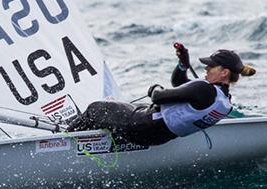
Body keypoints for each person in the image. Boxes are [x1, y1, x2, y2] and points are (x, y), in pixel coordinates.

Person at [67, 46, 256, 146]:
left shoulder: (204, 90)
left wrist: (155, 89)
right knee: (122, 107)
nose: (206, 68)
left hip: (140, 127)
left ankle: (63, 138)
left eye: (211, 66)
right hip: (158, 137)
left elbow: (158, 97)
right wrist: (183, 64)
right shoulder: (223, 101)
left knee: (96, 108)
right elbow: (179, 83)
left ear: (224, 72)